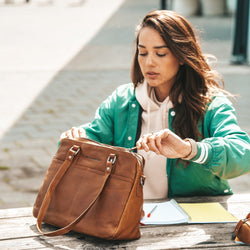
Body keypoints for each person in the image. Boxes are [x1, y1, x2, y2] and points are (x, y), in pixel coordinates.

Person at [60, 10, 250, 199]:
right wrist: (77, 138)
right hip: (128, 217)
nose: (149, 62)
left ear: (182, 55)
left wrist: (189, 150)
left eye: (160, 53)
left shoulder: (212, 104)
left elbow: (242, 154)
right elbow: (94, 136)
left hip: (194, 218)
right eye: (142, 52)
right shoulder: (121, 100)